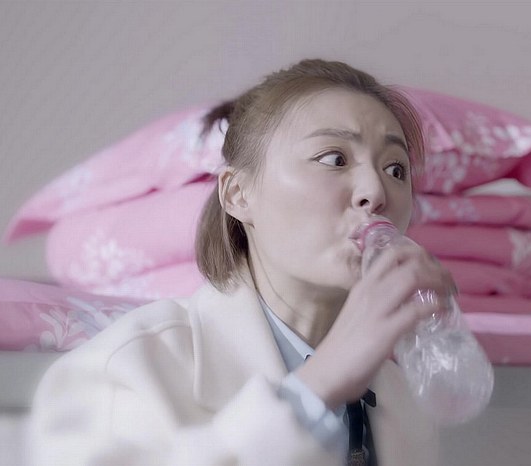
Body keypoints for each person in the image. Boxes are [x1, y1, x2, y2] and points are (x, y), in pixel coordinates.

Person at [30, 58, 456, 465]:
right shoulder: (124, 368)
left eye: (395, 169)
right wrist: (317, 388)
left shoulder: (402, 401)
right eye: (334, 159)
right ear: (237, 194)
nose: (375, 192)